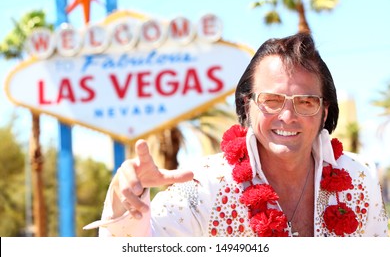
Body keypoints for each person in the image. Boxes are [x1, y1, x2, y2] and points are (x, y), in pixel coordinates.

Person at [84, 33, 389, 237]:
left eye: (305, 102)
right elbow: (139, 246)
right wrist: (125, 198)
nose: (287, 116)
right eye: (271, 100)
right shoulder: (204, 184)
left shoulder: (359, 176)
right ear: (248, 106)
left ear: (324, 111)